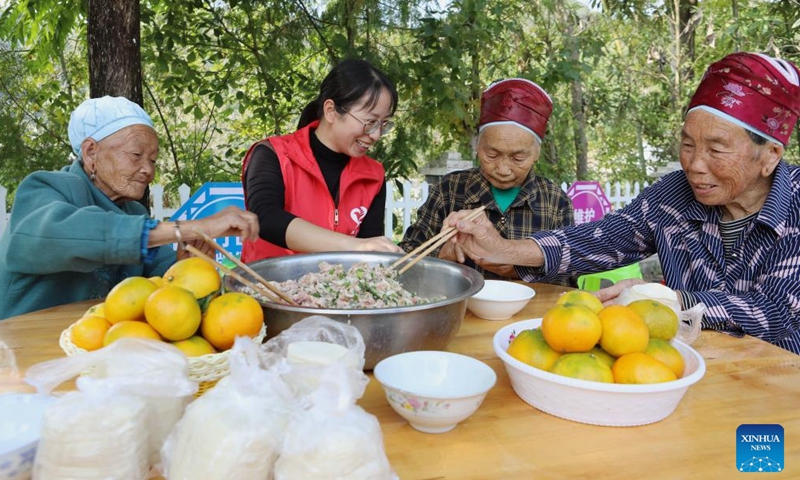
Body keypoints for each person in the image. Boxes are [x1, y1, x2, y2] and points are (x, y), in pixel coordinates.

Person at [447, 52, 800, 354]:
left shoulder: (794, 205)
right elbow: (600, 239)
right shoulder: (673, 194)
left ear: (769, 155)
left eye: (716, 149)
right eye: (688, 144)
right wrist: (504, 249)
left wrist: (669, 300)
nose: (693, 164)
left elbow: (779, 312)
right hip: (680, 371)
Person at [0, 96, 260, 320]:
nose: (148, 170)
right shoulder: (45, 188)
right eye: (136, 155)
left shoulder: (134, 213)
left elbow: (158, 285)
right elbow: (57, 234)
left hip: (101, 349)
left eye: (153, 160)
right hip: (24, 347)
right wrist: (189, 227)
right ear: (91, 152)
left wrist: (185, 267)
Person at [399, 78, 573, 282]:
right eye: (491, 155)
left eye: (518, 158)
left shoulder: (555, 201)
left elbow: (568, 277)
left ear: (537, 153)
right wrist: (444, 254)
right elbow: (405, 258)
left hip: (532, 313)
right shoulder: (450, 190)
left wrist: (516, 268)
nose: (503, 169)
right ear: (477, 146)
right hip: (461, 311)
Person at [241, 58, 402, 262]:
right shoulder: (274, 154)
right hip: (268, 287)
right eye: (370, 122)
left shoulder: (373, 175)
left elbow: (368, 253)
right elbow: (264, 218)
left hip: (336, 291)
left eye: (383, 124)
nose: (376, 135)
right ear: (331, 111)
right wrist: (357, 246)